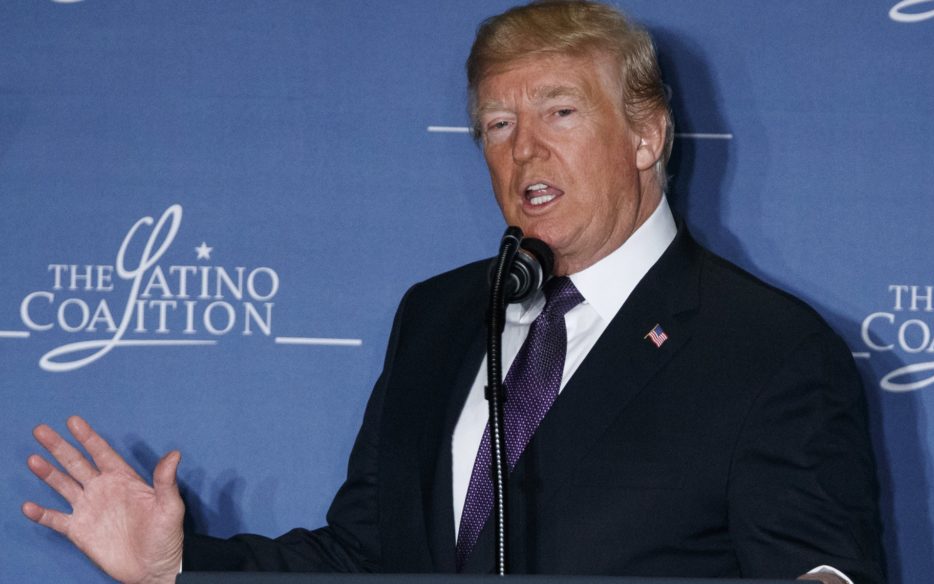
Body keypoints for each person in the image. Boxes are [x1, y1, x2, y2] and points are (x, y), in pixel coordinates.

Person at [23, 2, 885, 583]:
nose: (524, 152)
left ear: (647, 135)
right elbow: (368, 554)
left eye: (560, 113)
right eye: (499, 126)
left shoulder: (768, 350)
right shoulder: (439, 318)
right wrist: (179, 567)